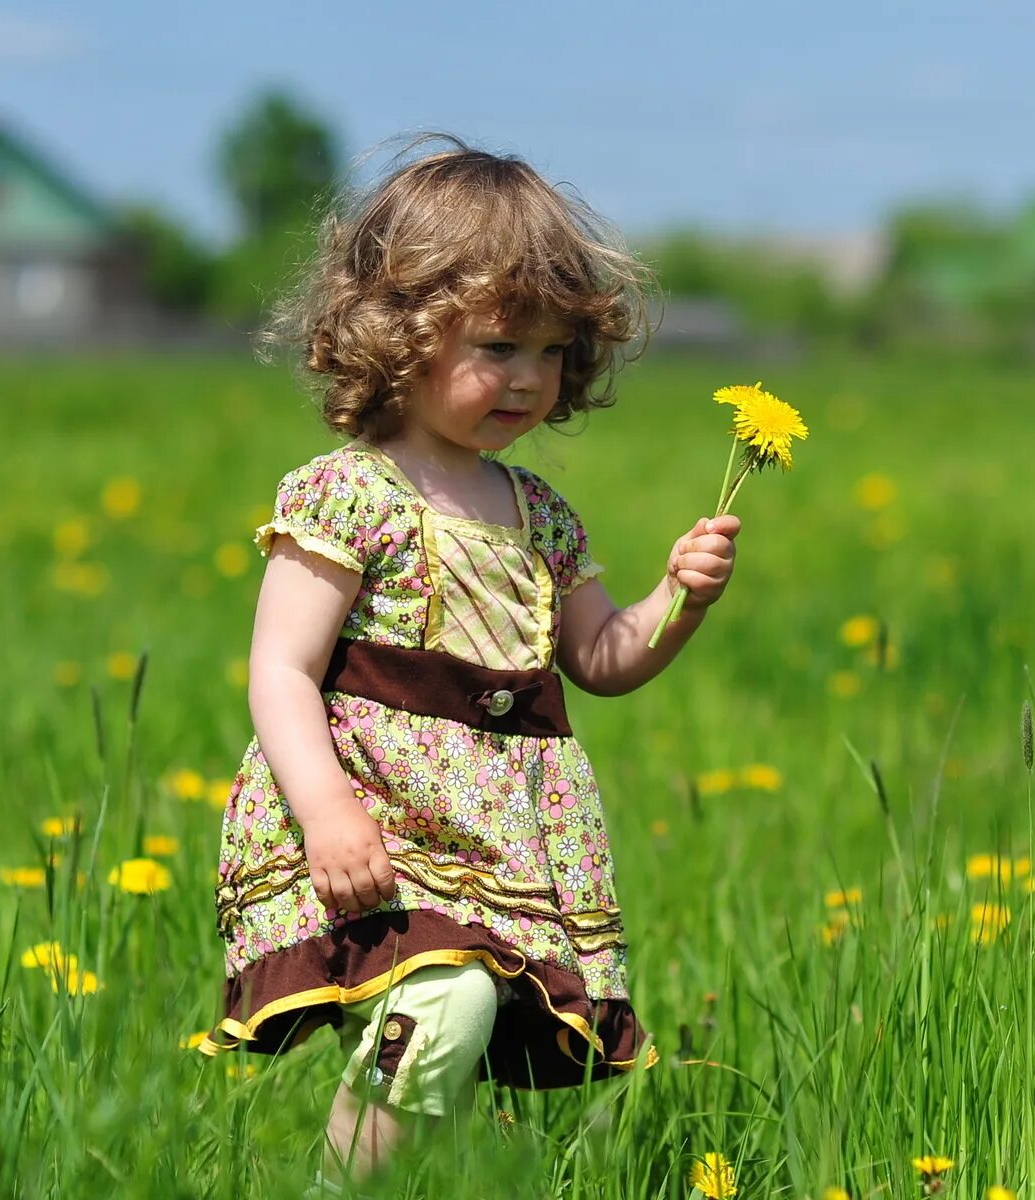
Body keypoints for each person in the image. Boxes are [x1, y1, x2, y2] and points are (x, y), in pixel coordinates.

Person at [197, 134, 741, 1193]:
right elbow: (279, 669)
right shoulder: (348, 493)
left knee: (470, 1021)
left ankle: (404, 1173)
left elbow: (599, 659)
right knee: (443, 1001)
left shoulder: (540, 513)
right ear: (396, 334)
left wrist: (681, 599)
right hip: (376, 812)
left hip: (503, 834)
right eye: (498, 346)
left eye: (550, 353)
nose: (528, 379)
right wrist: (325, 813)